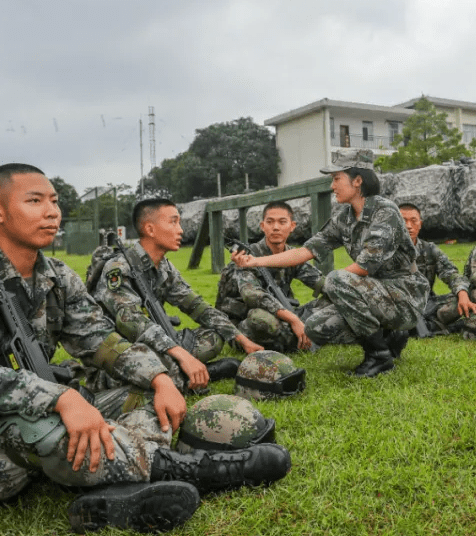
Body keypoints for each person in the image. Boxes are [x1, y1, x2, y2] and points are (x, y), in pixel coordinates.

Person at [0, 165, 289, 533]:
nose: (52, 212)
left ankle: (115, 495)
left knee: (142, 390)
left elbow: (101, 339)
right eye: (35, 201)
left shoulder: (56, 276)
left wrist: (159, 378)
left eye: (54, 201)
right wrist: (61, 399)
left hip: (42, 417)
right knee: (34, 422)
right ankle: (188, 468)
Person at [232, 150, 429, 378]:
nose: (332, 185)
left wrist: (335, 289)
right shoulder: (344, 217)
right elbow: (306, 251)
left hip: (405, 296)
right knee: (315, 326)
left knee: (336, 279)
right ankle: (389, 335)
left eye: (336, 179)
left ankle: (378, 355)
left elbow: (364, 268)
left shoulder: (385, 212)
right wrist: (255, 261)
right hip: (375, 293)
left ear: (357, 181)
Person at [91, 198, 262, 393]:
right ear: (150, 229)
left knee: (214, 337)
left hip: (154, 341)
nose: (180, 230)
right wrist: (180, 353)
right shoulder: (118, 268)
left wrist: (241, 338)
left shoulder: (164, 267)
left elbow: (197, 306)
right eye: (173, 222)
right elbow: (130, 321)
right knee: (154, 364)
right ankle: (195, 374)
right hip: (120, 351)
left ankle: (182, 372)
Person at [215, 201, 323, 352]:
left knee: (331, 301)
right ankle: (300, 338)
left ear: (292, 226)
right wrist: (294, 320)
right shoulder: (246, 257)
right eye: (270, 222)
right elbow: (252, 295)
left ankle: (297, 337)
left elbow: (321, 283)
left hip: (283, 314)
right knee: (260, 318)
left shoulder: (291, 255)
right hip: (245, 323)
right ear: (262, 226)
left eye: (282, 222)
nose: (276, 227)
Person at [398, 203, 476, 340]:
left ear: (420, 224)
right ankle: (440, 325)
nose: (409, 226)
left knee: (473, 295)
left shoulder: (429, 249)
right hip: (395, 306)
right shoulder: (383, 251)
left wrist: (462, 294)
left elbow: (451, 273)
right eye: (403, 221)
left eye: (413, 221)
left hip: (428, 305)